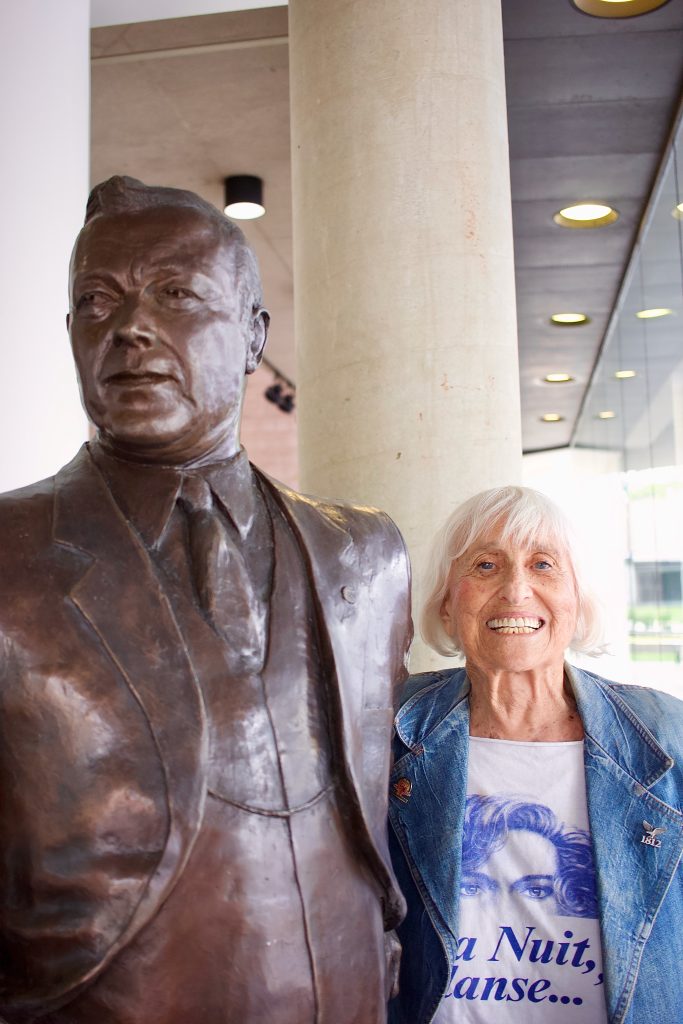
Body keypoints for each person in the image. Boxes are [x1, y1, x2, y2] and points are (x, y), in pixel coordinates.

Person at [0, 176, 412, 1024]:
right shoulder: (10, 552)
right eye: (95, 301)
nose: (130, 328)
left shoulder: (365, 556)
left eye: (176, 293)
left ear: (255, 334)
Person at [388, 485, 683, 1024]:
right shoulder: (389, 728)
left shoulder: (666, 736)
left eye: (543, 565)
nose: (516, 590)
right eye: (485, 565)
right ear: (448, 603)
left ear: (578, 597)